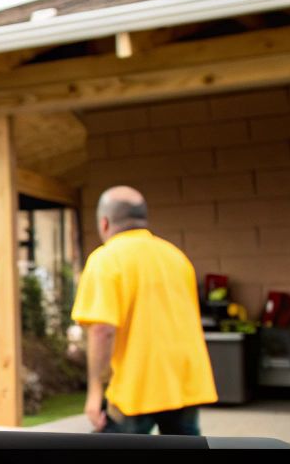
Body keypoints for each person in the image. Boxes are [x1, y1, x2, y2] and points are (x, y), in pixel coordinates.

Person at [70, 185, 218, 434]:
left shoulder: (106, 260)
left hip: (135, 389)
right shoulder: (176, 257)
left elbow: (102, 331)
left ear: (104, 223)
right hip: (183, 385)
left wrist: (95, 393)